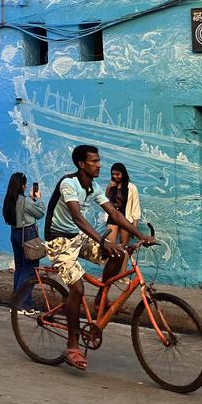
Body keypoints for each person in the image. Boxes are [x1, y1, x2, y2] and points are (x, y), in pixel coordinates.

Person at [43, 144, 155, 370]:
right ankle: (72, 346)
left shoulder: (93, 187)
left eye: (98, 160)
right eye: (94, 161)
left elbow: (114, 212)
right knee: (77, 289)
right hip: (58, 241)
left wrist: (139, 235)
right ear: (81, 164)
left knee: (118, 253)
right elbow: (77, 217)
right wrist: (103, 240)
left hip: (76, 238)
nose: (99, 165)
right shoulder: (69, 184)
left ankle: (99, 300)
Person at [3, 172, 45, 310]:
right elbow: (40, 213)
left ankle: (16, 303)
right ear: (22, 185)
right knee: (30, 271)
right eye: (25, 184)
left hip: (15, 233)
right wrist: (38, 199)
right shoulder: (25, 200)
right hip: (27, 234)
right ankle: (23, 305)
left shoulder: (10, 200)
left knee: (20, 269)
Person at [103, 162, 141, 275]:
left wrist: (134, 227)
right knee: (109, 247)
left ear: (123, 174)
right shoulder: (111, 186)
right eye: (113, 174)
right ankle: (107, 275)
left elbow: (135, 207)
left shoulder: (131, 188)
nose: (115, 176)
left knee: (124, 248)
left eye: (118, 174)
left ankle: (122, 274)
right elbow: (104, 201)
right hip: (112, 219)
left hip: (126, 219)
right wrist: (109, 187)